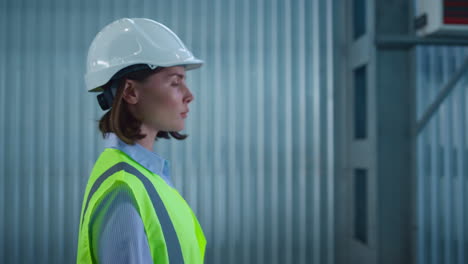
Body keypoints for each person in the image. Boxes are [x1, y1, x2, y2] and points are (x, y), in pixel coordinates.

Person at [76, 18, 206, 264]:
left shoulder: (147, 177)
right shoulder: (123, 191)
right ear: (131, 92)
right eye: (175, 82)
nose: (189, 96)